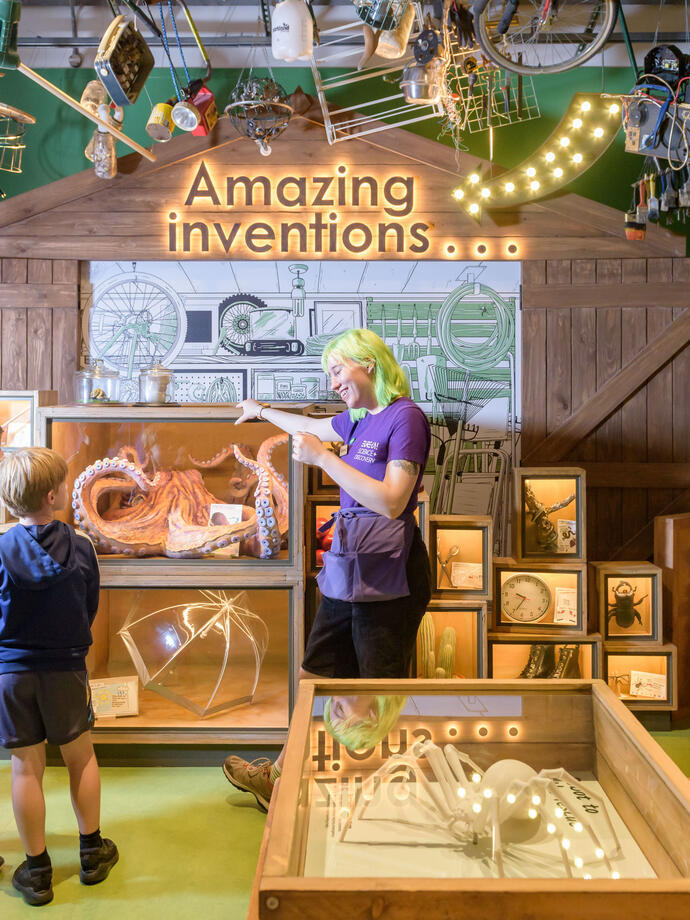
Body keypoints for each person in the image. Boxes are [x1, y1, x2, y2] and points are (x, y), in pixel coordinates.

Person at [223, 328, 431, 811]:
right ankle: (281, 776)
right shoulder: (359, 419)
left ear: (369, 364)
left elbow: (392, 500)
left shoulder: (406, 418)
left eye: (337, 370)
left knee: (376, 692)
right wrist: (261, 411)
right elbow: (309, 425)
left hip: (390, 574)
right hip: (348, 566)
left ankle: (380, 797)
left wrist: (323, 460)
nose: (333, 382)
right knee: (314, 673)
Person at [0, 447, 118, 906]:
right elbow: (90, 604)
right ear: (52, 496)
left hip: (11, 672)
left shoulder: (1, 548)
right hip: (66, 668)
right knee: (81, 758)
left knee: (25, 767)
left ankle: (37, 871)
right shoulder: (82, 546)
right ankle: (92, 853)